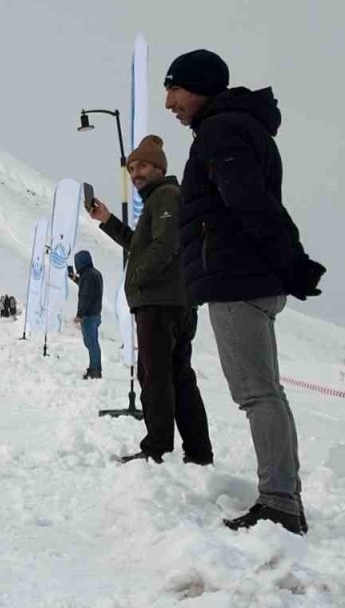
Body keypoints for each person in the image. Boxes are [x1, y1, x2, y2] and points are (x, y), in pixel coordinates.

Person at [165, 50, 325, 534]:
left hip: (238, 281)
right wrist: (290, 263)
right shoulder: (235, 127)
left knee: (258, 395)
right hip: (247, 278)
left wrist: (290, 263)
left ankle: (279, 502)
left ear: (200, 86)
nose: (170, 102)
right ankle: (283, 498)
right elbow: (255, 201)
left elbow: (249, 203)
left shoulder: (222, 130)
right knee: (266, 393)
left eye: (174, 89)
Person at [88, 135, 213, 465]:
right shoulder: (159, 198)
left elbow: (165, 244)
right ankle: (198, 452)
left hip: (161, 303)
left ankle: (155, 449)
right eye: (131, 167)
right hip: (173, 301)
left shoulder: (167, 196)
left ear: (159, 167)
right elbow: (141, 244)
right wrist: (108, 220)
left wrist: (138, 280)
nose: (135, 172)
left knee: (155, 376)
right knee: (177, 376)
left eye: (142, 165)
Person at [67, 251, 103, 379]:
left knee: (90, 343)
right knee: (94, 343)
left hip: (88, 315)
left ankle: (94, 370)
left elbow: (85, 296)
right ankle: (96, 367)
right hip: (96, 313)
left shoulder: (87, 276)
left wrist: (80, 314)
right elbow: (87, 288)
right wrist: (75, 279)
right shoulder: (95, 273)